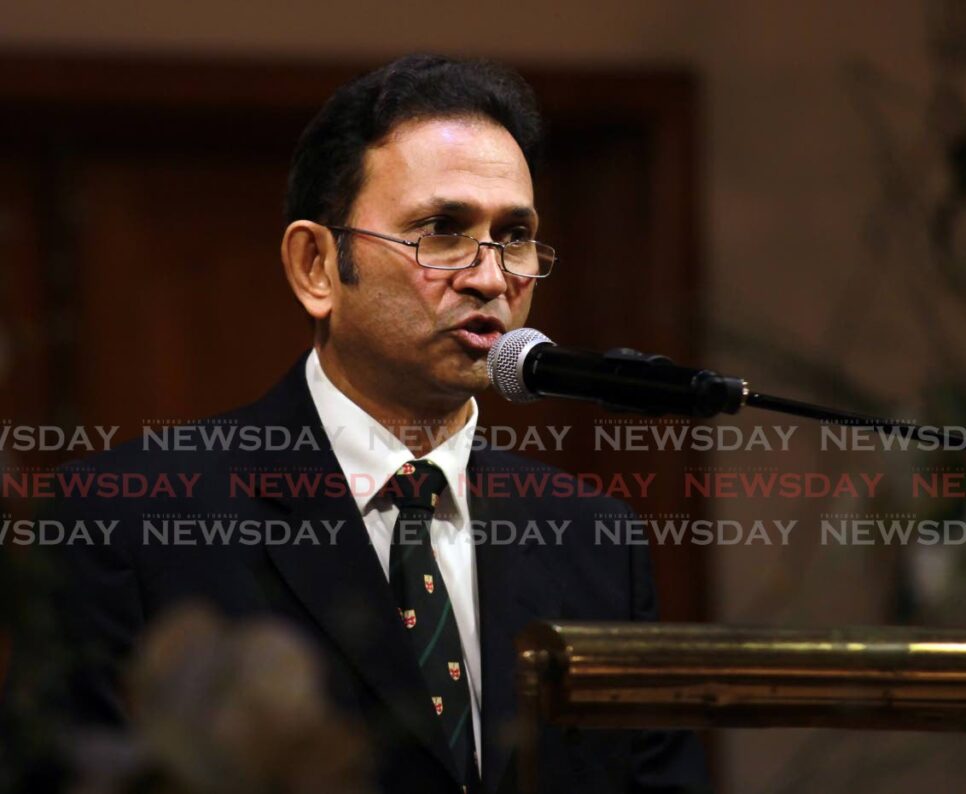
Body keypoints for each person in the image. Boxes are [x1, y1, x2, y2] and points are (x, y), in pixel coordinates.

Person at [52, 55, 709, 793]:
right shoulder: (131, 518)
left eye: (515, 235)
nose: (491, 278)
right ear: (316, 267)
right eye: (442, 230)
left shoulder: (597, 542)